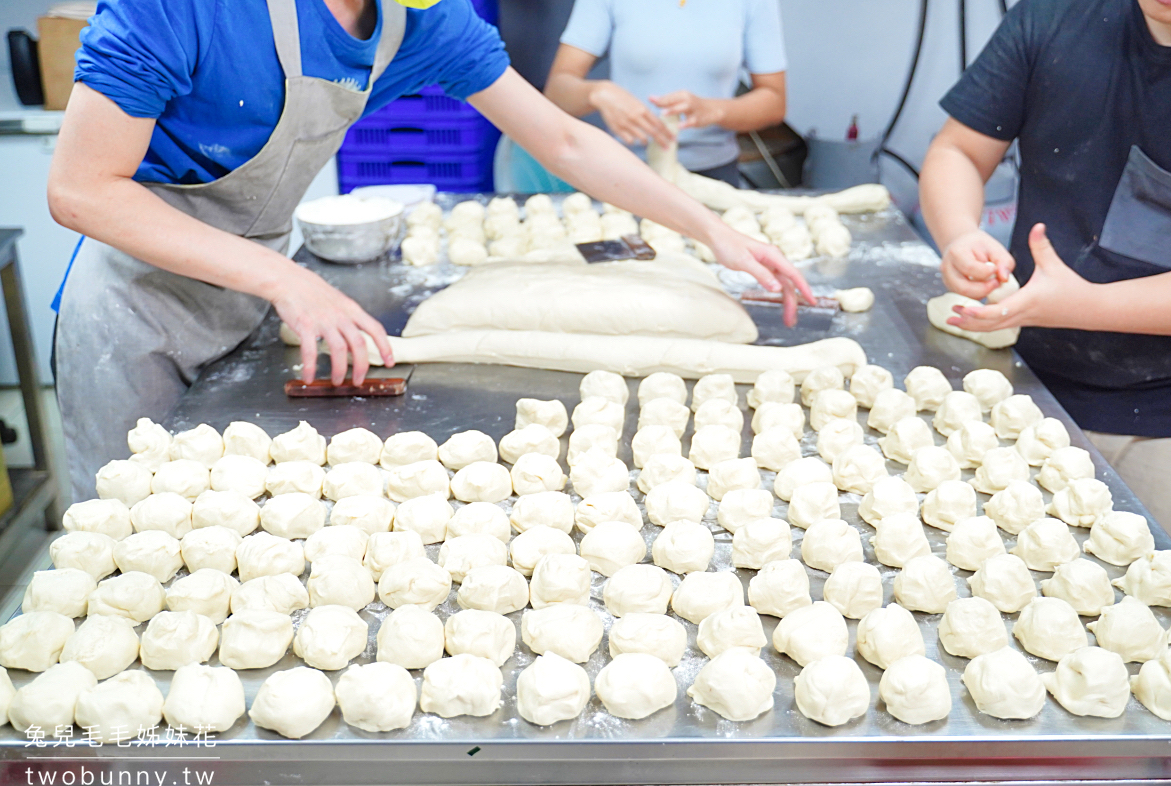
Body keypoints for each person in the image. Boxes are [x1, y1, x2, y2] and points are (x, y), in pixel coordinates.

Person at [47, 0, 810, 503]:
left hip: (255, 299)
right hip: (136, 316)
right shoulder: (187, 7)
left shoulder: (419, 19)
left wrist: (713, 229)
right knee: (132, 535)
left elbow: (565, 139)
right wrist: (283, 275)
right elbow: (81, 189)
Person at [919, 0, 1171, 554]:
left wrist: (1080, 304)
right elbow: (958, 149)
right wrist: (958, 234)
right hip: (1025, 385)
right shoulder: (1054, 17)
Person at [543, 0, 787, 187]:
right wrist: (598, 92)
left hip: (714, 175)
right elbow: (557, 92)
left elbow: (774, 101)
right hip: (625, 175)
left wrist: (716, 109)